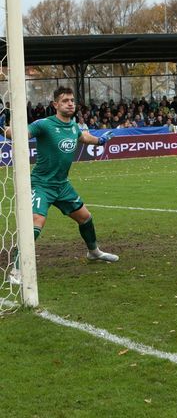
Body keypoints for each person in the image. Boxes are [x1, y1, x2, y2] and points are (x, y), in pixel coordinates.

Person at [5, 87, 118, 284]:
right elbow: (20, 134)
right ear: (55, 105)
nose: (70, 103)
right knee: (36, 222)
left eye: (72, 100)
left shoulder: (73, 126)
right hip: (41, 184)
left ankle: (94, 252)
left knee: (85, 218)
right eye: (65, 100)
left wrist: (100, 140)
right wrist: (4, 130)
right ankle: (16, 269)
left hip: (62, 185)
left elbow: (83, 137)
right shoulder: (44, 125)